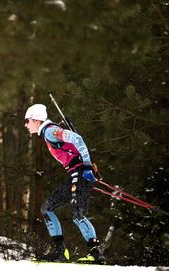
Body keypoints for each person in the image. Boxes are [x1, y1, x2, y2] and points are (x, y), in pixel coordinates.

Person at [24, 103, 104, 264]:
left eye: (27, 120)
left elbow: (77, 138)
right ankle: (60, 252)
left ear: (36, 120)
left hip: (81, 173)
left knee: (77, 214)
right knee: (47, 209)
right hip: (75, 174)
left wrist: (88, 165)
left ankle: (96, 254)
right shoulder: (48, 132)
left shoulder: (49, 131)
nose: (25, 124)